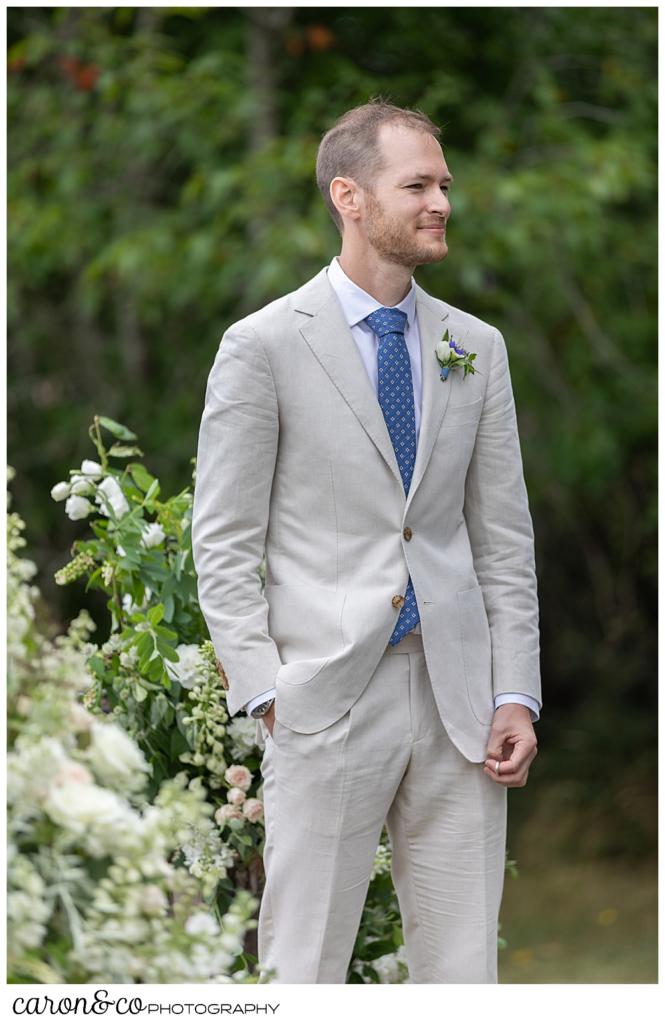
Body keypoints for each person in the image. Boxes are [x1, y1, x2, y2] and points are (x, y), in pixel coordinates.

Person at [191, 100, 541, 985]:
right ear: (348, 196)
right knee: (301, 969)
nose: (440, 203)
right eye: (416, 185)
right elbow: (224, 540)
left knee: (463, 974)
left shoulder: (477, 347)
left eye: (444, 185)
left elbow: (501, 540)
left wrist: (514, 692)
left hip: (462, 704)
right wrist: (266, 690)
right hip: (323, 699)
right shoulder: (262, 346)